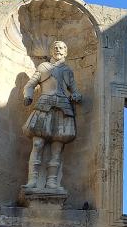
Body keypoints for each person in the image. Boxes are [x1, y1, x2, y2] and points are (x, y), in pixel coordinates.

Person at [22, 41, 82, 190]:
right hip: (44, 105)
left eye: (61, 47)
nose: (58, 50)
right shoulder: (43, 67)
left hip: (62, 108)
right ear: (51, 51)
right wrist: (28, 95)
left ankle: (52, 182)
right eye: (55, 47)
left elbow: (74, 89)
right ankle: (33, 181)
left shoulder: (68, 71)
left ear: (65, 52)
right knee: (37, 144)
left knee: (57, 148)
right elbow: (30, 85)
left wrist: (76, 96)